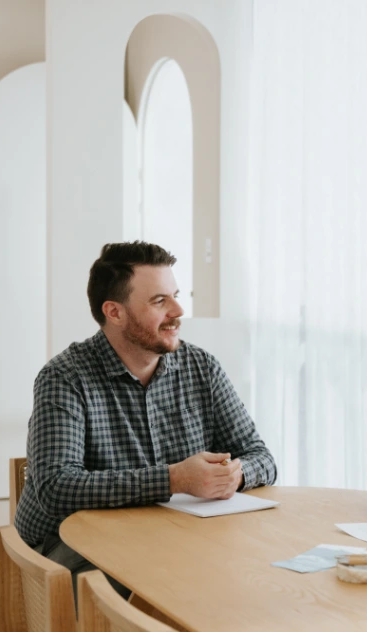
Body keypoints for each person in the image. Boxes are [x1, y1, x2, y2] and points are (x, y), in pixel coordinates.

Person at [14, 241, 277, 595]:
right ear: (115, 312)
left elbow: (261, 457)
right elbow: (56, 488)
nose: (178, 310)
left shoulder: (202, 367)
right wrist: (174, 479)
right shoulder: (64, 378)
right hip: (71, 545)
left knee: (256, 574)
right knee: (162, 590)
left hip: (174, 536)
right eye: (159, 301)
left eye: (176, 296)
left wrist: (234, 474)